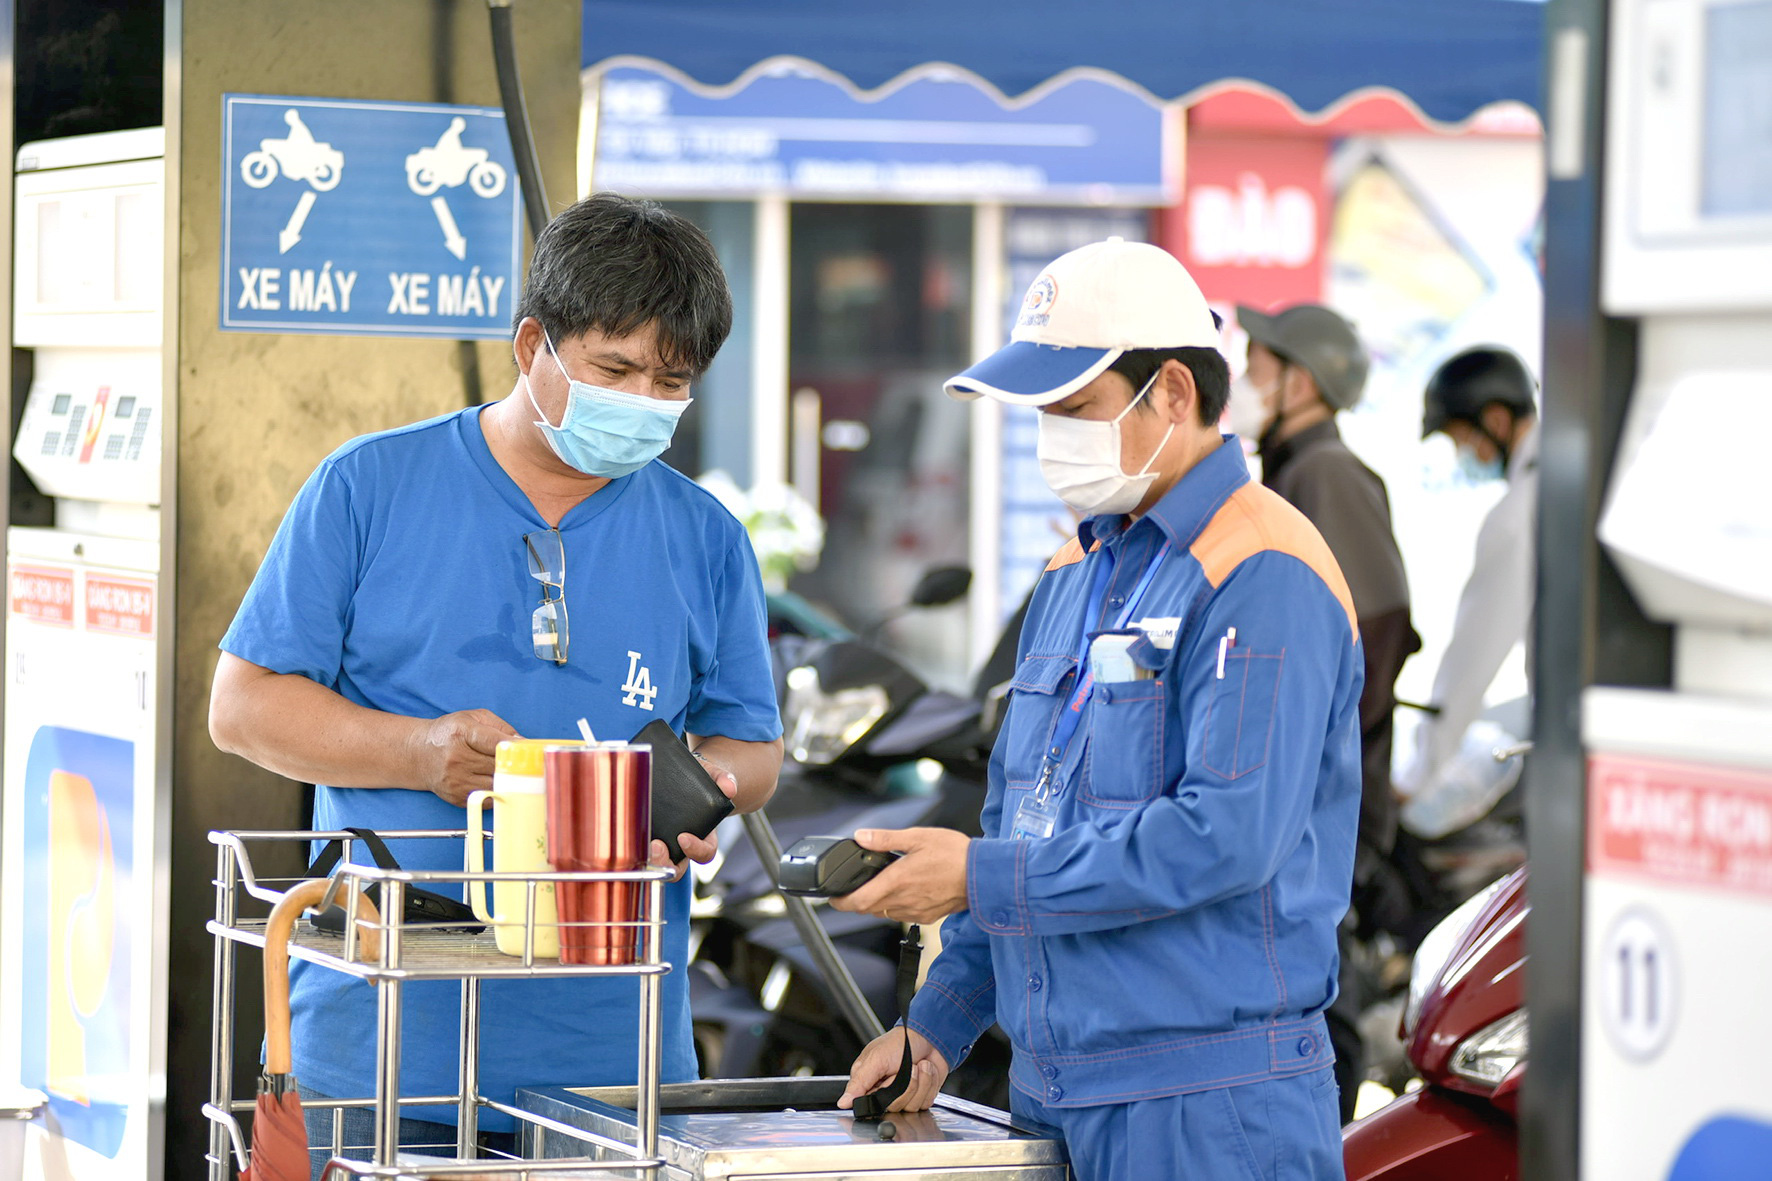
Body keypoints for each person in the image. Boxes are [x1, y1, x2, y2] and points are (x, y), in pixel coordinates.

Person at [208, 193, 784, 1170]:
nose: (642, 399)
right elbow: (243, 704)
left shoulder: (704, 535)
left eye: (669, 380)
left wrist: (691, 794)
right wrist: (417, 750)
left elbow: (750, 745)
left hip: (612, 1048)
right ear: (532, 344)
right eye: (614, 369)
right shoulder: (367, 487)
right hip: (380, 1040)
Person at [830, 238, 1362, 1181]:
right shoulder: (1075, 570)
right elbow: (1025, 822)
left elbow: (1224, 836)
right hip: (1053, 1096)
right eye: (1042, 412)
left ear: (1172, 392)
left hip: (1210, 1108)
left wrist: (980, 878)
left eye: (1073, 407)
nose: (1049, 436)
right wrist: (938, 1026)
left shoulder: (1263, 571)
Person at [1228, 303, 1419, 1119]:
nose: (1245, 379)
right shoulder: (1291, 468)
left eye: (1261, 363)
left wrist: (1307, 743)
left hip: (1324, 811)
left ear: (1300, 380)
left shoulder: (1324, 475)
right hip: (1302, 802)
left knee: (1319, 1014)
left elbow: (1376, 633)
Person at [1396, 345, 1539, 833]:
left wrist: (1420, 776)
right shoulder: (1563, 486)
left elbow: (1470, 664)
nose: (1464, 455)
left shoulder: (1520, 515)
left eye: (1462, 439)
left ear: (1495, 421)